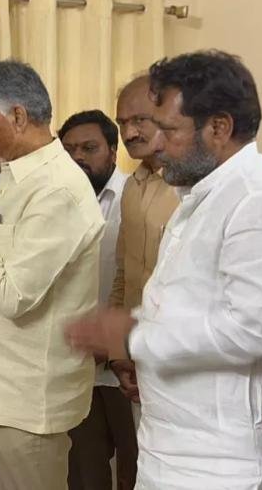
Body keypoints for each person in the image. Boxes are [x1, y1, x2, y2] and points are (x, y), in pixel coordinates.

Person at [66, 50, 262, 489]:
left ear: (219, 127)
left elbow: (255, 329)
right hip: (171, 449)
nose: (155, 144)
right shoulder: (199, 195)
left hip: (222, 465)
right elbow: (184, 305)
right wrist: (136, 339)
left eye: (169, 130)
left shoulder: (258, 198)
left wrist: (134, 338)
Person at [0, 60, 104, 490]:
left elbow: (13, 295)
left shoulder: (56, 188)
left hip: (26, 400)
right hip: (2, 390)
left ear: (19, 117)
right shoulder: (16, 176)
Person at [58, 110, 135, 490]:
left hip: (128, 363)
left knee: (135, 469)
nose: (78, 158)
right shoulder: (56, 204)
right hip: (76, 363)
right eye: (69, 149)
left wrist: (118, 344)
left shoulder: (136, 197)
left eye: (89, 148)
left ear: (112, 149)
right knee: (84, 472)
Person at [107, 75, 180, 405]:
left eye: (140, 120)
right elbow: (124, 276)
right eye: (122, 123)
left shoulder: (191, 190)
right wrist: (117, 351)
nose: (129, 133)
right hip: (134, 363)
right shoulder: (131, 187)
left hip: (179, 365)